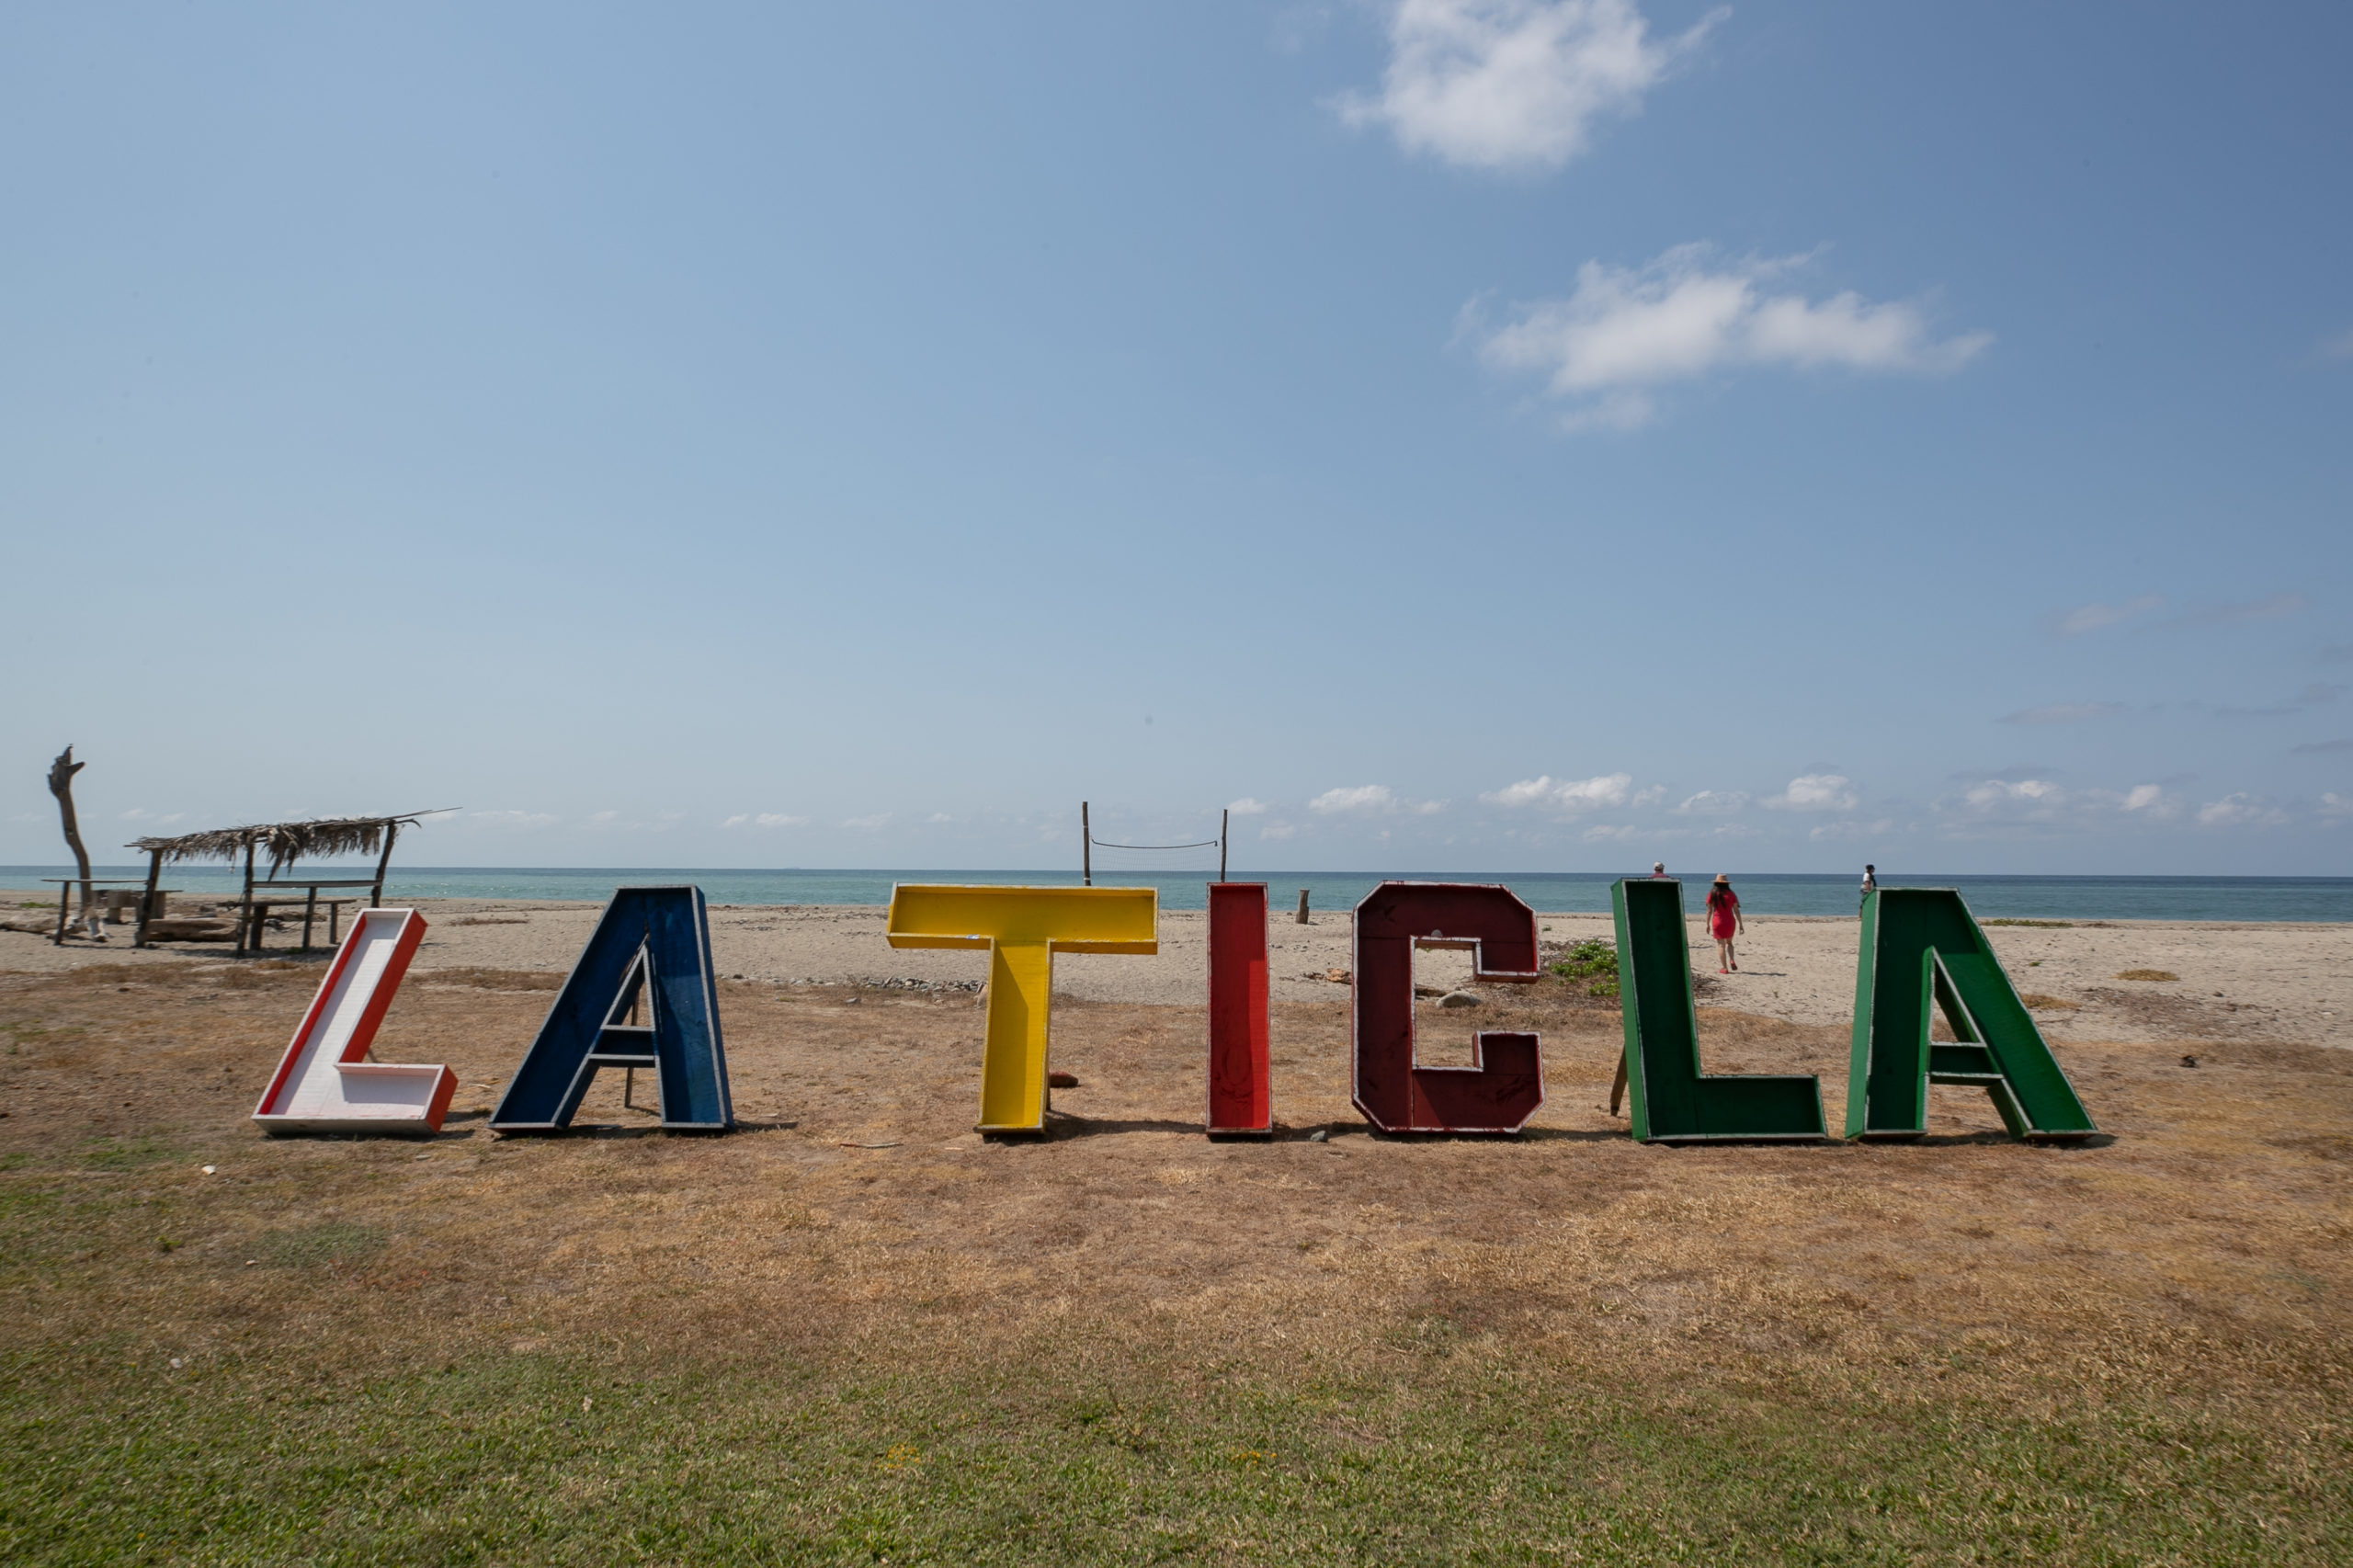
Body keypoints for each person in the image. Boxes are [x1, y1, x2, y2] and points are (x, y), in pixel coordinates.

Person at [1705, 873, 1743, 973]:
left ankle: (1724, 968)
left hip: (1718, 921)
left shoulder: (1712, 894)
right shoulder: (1731, 894)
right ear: (1727, 884)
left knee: (1721, 945)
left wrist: (1707, 924)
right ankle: (1732, 959)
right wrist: (1741, 924)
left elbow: (1709, 911)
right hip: (1730, 921)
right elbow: (1736, 911)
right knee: (1729, 943)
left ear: (1716, 883)